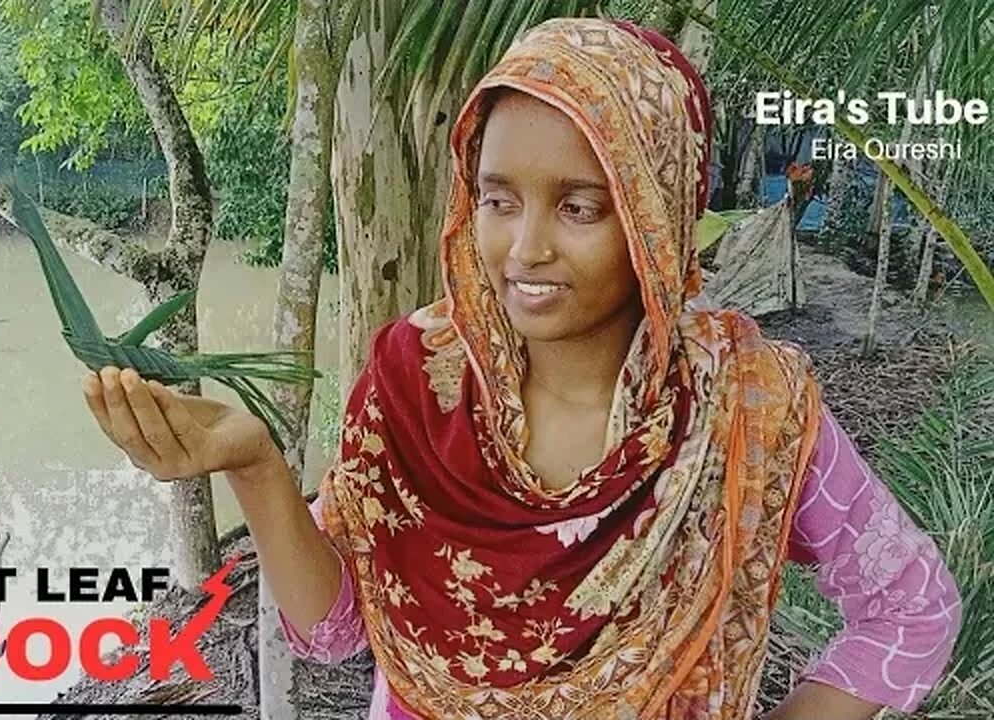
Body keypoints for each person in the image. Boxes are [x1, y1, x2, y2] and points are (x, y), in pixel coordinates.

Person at [81, 17, 960, 720]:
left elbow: (912, 607)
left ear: (655, 220)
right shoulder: (411, 384)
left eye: (579, 206)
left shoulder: (744, 408)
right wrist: (255, 465)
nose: (524, 248)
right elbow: (335, 630)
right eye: (498, 200)